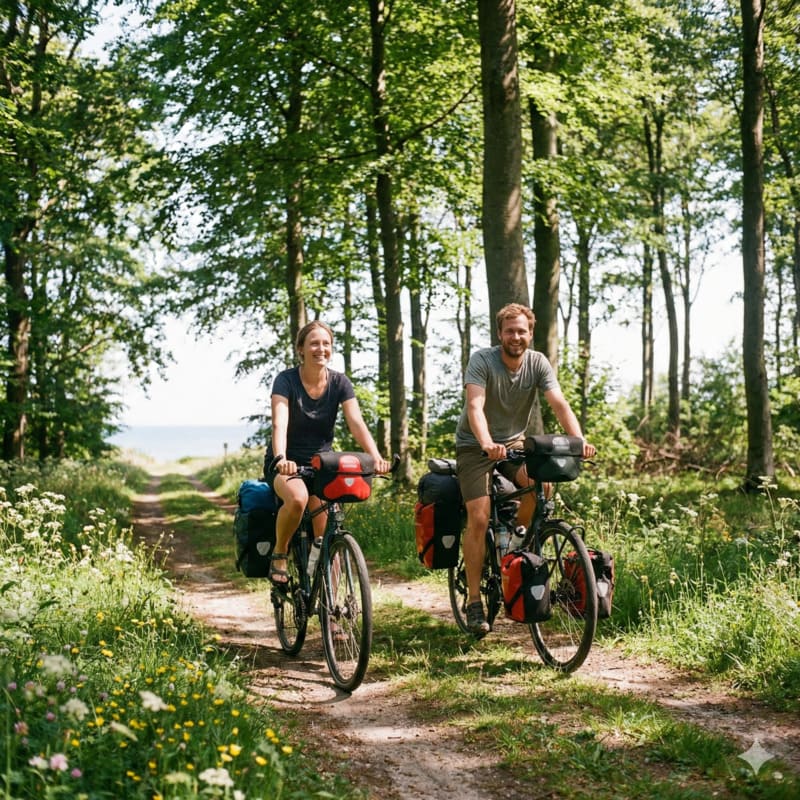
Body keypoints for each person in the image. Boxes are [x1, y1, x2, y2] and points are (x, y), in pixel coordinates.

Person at [455, 303, 596, 637]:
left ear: (530, 334)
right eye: (509, 330)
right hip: (475, 446)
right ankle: (474, 601)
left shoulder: (537, 363)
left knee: (542, 486)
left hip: (515, 444)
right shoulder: (482, 361)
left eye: (522, 331)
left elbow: (559, 403)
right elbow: (475, 406)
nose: (516, 337)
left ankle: (514, 544)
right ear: (500, 333)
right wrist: (487, 442)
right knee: (478, 516)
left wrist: (579, 441)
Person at [264, 320, 391, 587]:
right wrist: (281, 459)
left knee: (327, 539)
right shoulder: (285, 380)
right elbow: (280, 422)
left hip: (322, 464)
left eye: (326, 344)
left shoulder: (340, 382)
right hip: (286, 463)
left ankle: (332, 615)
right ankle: (280, 553)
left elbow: (356, 422)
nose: (320, 348)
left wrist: (376, 457)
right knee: (298, 498)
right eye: (313, 343)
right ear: (301, 349)